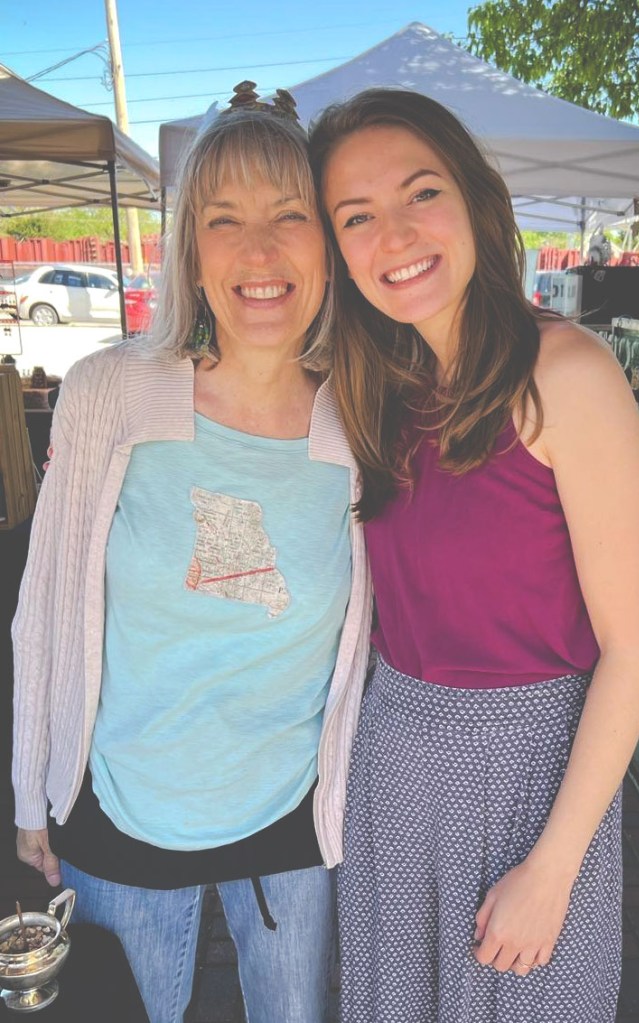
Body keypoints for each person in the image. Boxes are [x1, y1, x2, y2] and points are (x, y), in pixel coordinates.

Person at [12, 83, 372, 1023]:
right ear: (191, 253)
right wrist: (29, 793)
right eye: (224, 220)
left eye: (289, 215)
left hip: (293, 820)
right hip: (122, 814)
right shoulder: (109, 394)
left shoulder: (365, 417)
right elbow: (44, 603)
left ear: (329, 248)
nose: (259, 250)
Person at [309, 89, 639, 1023]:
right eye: (356, 216)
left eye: (421, 193)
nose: (394, 234)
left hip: (535, 778)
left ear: (474, 200)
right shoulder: (379, 391)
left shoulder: (567, 374)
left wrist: (553, 867)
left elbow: (633, 649)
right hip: (395, 764)